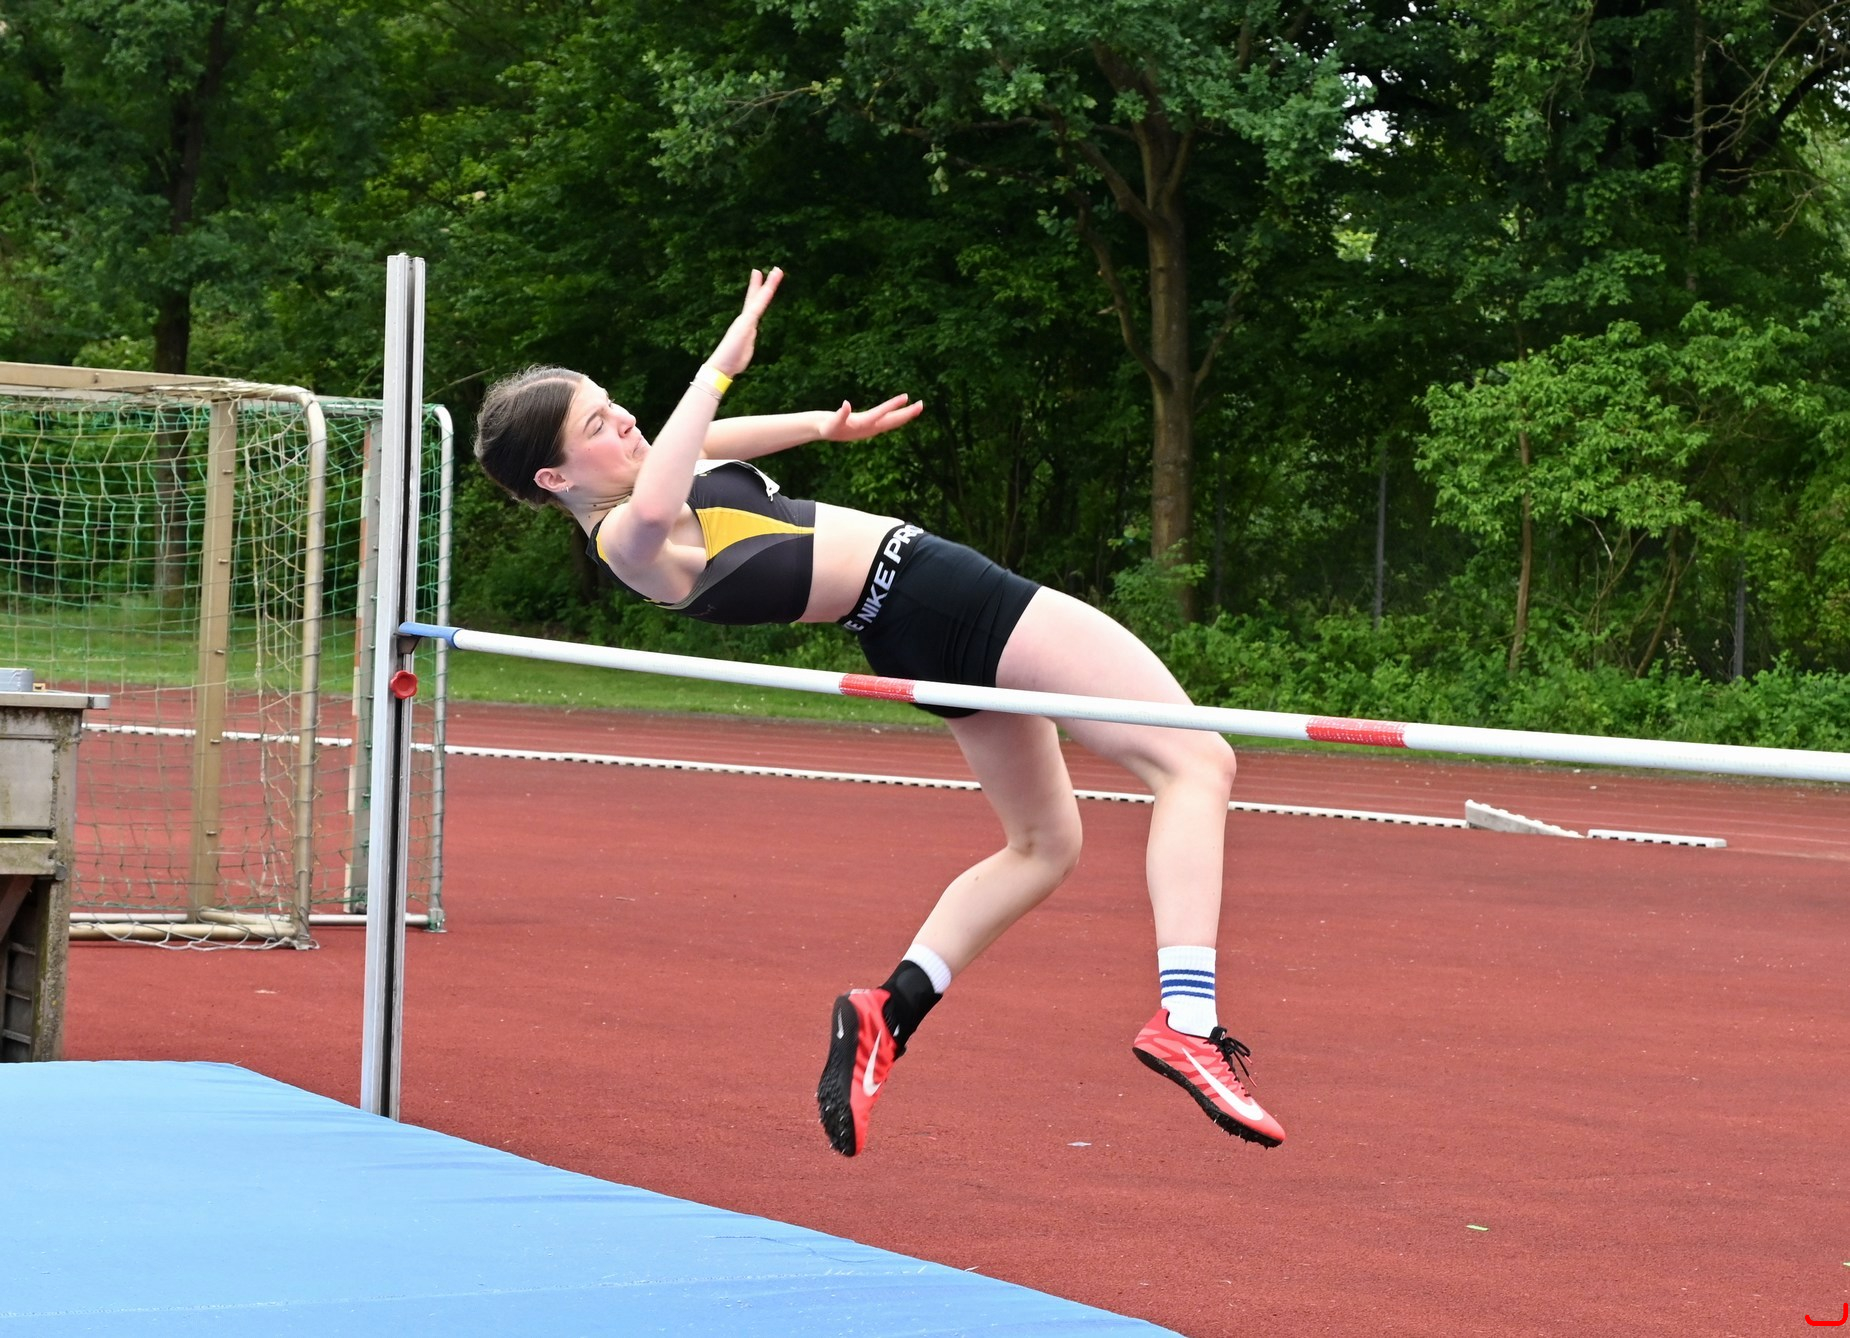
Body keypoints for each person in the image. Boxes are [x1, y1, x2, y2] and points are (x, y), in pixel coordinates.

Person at [472, 267, 1286, 1155]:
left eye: (612, 403)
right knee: (1197, 760)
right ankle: (1188, 1020)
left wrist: (823, 426)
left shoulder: (647, 477)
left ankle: (889, 1012)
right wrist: (719, 366)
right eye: (597, 424)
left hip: (904, 633)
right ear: (554, 476)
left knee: (1043, 847)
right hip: (939, 594)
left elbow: (694, 441)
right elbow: (674, 470)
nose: (626, 420)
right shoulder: (630, 538)